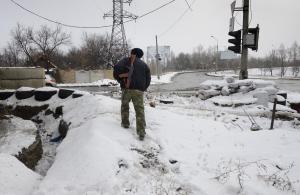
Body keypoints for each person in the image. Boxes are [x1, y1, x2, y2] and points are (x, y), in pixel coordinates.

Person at [113, 48, 151, 141]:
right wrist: (143, 88)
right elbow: (148, 78)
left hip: (127, 89)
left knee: (125, 106)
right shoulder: (144, 65)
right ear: (140, 56)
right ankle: (141, 132)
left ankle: (125, 124)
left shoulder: (126, 60)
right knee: (139, 110)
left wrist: (120, 80)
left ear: (132, 53)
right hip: (138, 91)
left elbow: (116, 68)